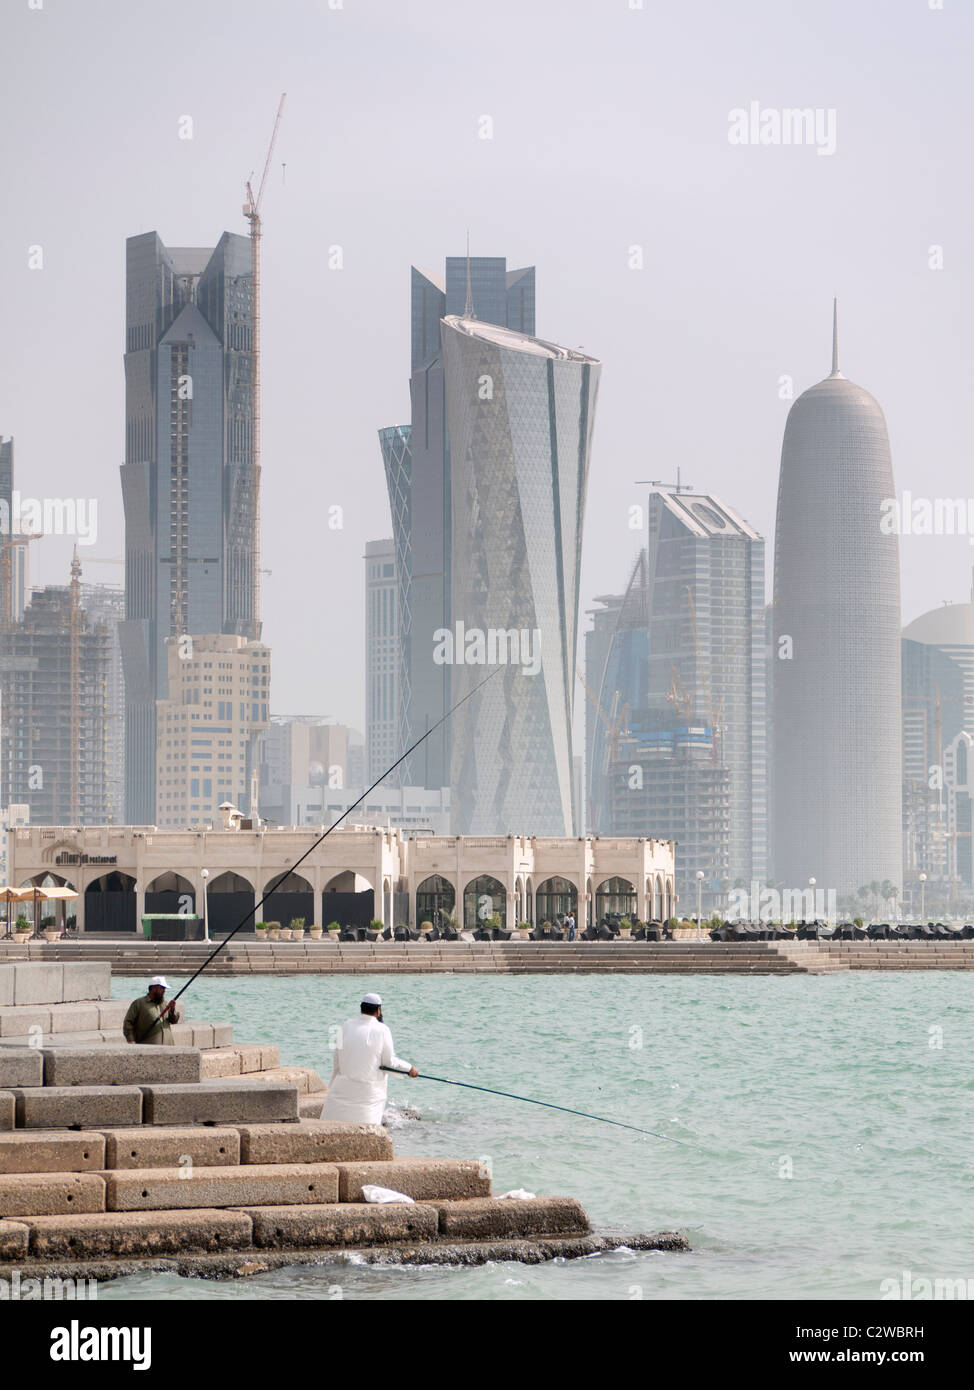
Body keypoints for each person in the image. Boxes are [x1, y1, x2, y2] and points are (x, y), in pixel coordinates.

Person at [320, 992, 417, 1124]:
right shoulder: (383, 1029)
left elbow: (337, 1062)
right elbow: (389, 1062)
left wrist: (332, 1087)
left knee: (332, 1124)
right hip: (368, 1094)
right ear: (378, 1010)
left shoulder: (345, 1025)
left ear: (361, 1008)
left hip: (341, 1090)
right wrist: (409, 1068)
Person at [123, 976, 181, 1046]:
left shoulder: (165, 1004)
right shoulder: (139, 1003)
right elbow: (128, 1023)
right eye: (162, 988)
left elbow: (174, 1021)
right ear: (154, 988)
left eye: (164, 988)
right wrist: (131, 1040)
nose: (164, 990)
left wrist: (172, 1009)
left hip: (168, 1046)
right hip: (148, 1047)